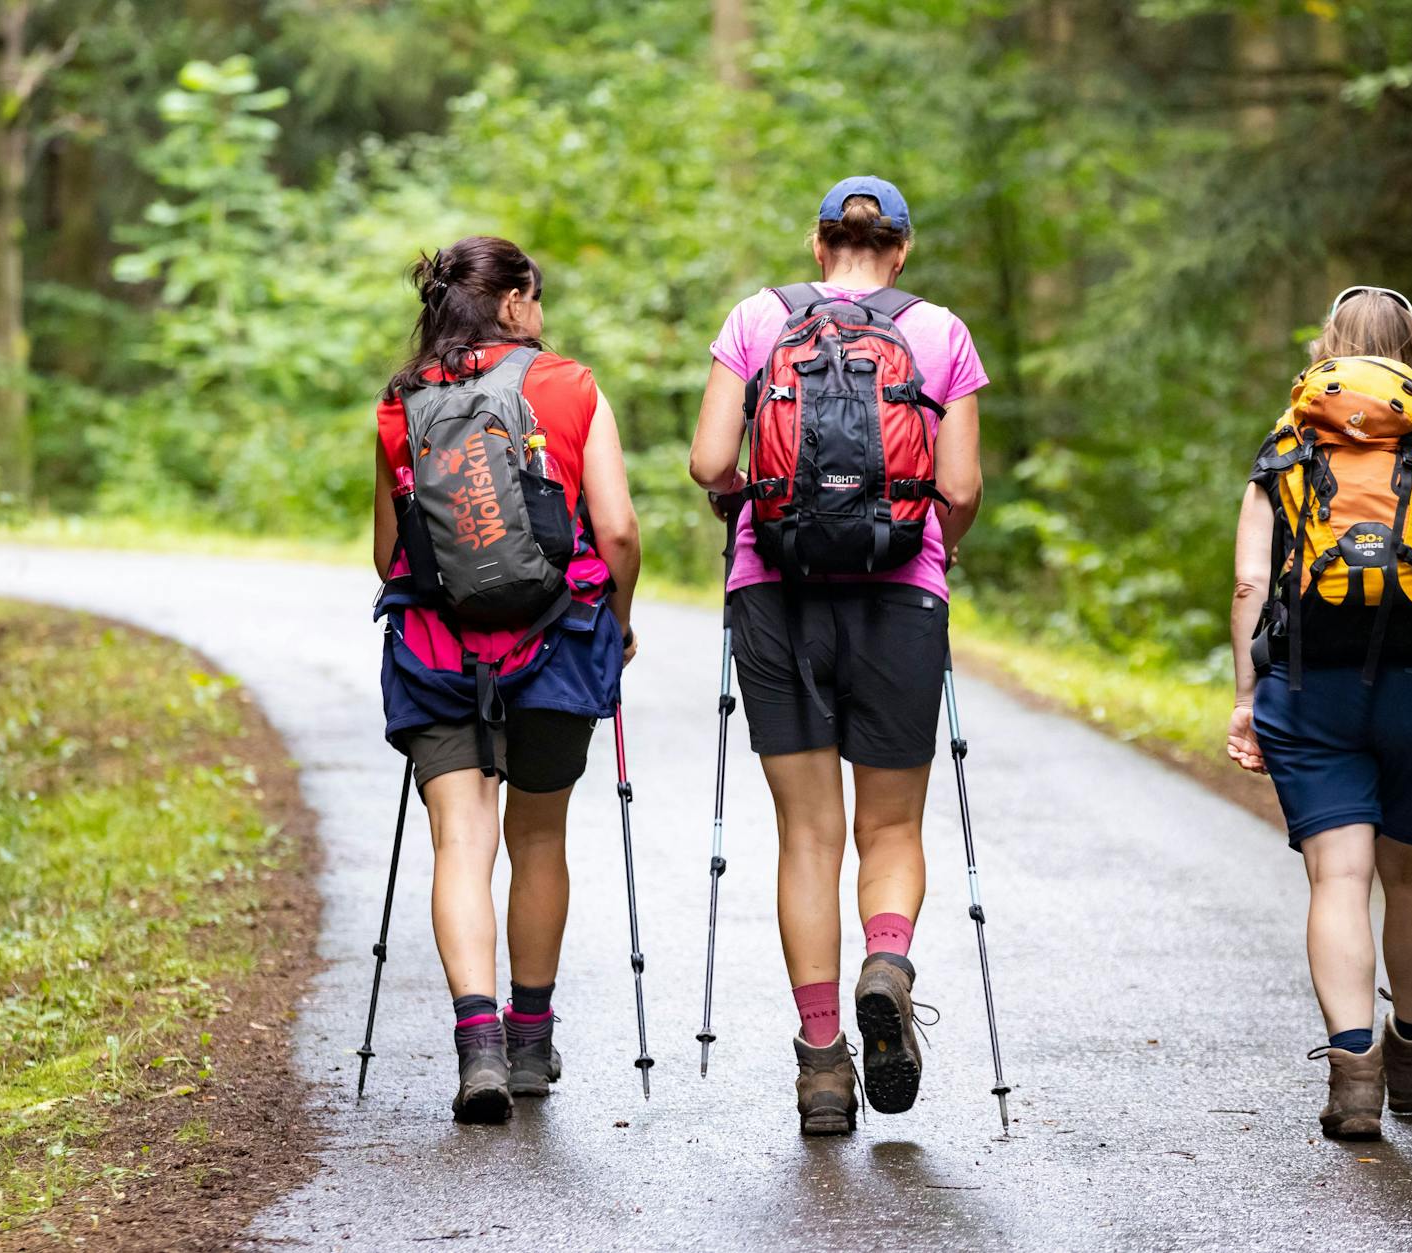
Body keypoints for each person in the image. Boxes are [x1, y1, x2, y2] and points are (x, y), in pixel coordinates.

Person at [688, 176, 987, 1134]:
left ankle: (823, 1063)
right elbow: (962, 486)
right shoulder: (939, 333)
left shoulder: (756, 319)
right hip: (901, 596)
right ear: (900, 251)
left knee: (807, 835)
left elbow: (706, 461)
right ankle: (887, 962)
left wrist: (748, 498)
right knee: (890, 827)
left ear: (820, 247)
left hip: (773, 594)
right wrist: (935, 544)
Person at [1226, 286, 1412, 1140]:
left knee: (1339, 877)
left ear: (1328, 348)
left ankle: (1355, 1078)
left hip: (1312, 683)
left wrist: (1246, 699)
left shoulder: (1288, 440)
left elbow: (1250, 581)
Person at [372, 235, 641, 1123]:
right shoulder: (568, 386)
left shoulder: (402, 400)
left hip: (438, 650)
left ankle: (476, 1042)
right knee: (537, 838)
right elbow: (620, 533)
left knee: (461, 841)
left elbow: (388, 555)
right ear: (517, 299)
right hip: (555, 644)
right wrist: (621, 624)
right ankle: (530, 1038)